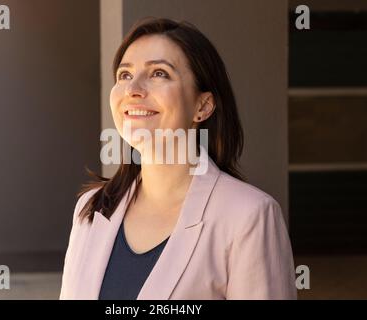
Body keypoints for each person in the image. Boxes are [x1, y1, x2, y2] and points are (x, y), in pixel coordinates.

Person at [59, 17, 297, 300]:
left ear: (203, 105)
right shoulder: (91, 208)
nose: (133, 89)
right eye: (124, 75)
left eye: (159, 73)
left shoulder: (249, 216)